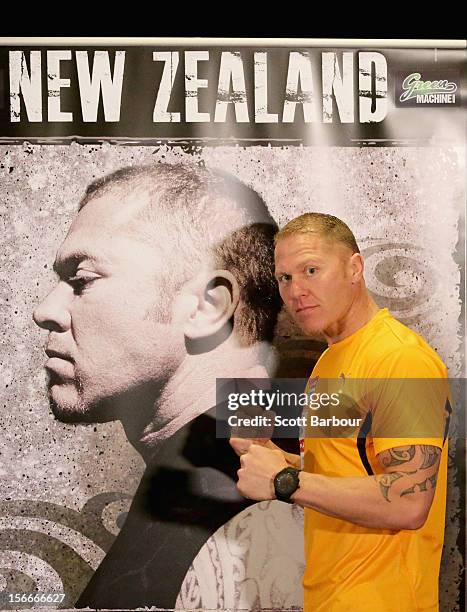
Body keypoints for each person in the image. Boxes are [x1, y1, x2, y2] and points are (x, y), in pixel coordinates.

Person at [33, 163, 304, 610]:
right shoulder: (223, 479)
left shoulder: (240, 511)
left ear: (205, 307)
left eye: (82, 280)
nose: (45, 310)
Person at [231, 212, 450, 612]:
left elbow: (407, 501)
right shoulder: (331, 360)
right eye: (285, 278)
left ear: (355, 267)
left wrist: (283, 480)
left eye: (311, 269)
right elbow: (348, 469)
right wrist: (271, 456)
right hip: (332, 598)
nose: (297, 290)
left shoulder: (400, 359)